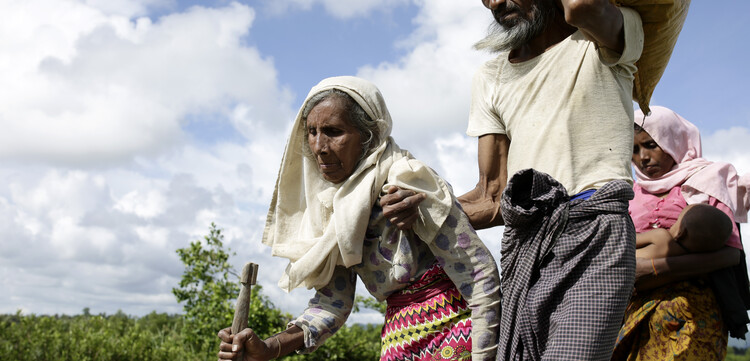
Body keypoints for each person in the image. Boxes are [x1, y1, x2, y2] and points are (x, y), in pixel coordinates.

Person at [382, 0, 644, 359]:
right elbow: (492, 196)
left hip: (593, 235)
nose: (495, 3)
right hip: (523, 246)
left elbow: (581, 6)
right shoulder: (491, 76)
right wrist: (423, 209)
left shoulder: (602, 38)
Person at [217, 76, 501, 361]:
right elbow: (333, 303)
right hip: (400, 336)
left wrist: (483, 354)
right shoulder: (332, 210)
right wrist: (269, 348)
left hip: (457, 326)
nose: (319, 146)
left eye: (333, 131)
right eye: (312, 132)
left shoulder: (408, 181)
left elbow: (478, 272)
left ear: (368, 135)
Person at [612, 106, 750, 360]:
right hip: (635, 311)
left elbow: (730, 255)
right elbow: (617, 244)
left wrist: (655, 268)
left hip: (693, 312)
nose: (643, 157)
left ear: (672, 139)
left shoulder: (706, 181)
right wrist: (654, 241)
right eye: (633, 150)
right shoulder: (630, 194)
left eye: (651, 145)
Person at [635, 203, 733, 259]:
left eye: (677, 221)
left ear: (681, 233)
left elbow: (627, 240)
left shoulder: (661, 237)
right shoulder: (691, 265)